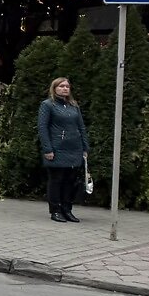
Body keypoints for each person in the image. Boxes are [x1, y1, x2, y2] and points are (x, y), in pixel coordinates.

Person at [38, 76, 90, 223]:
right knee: (56, 180)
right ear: (54, 89)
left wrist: (85, 147)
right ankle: (55, 210)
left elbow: (81, 127)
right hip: (57, 149)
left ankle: (67, 209)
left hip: (74, 149)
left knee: (70, 181)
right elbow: (42, 128)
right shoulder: (48, 105)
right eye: (61, 86)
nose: (65, 88)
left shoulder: (74, 106)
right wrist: (48, 149)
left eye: (67, 86)